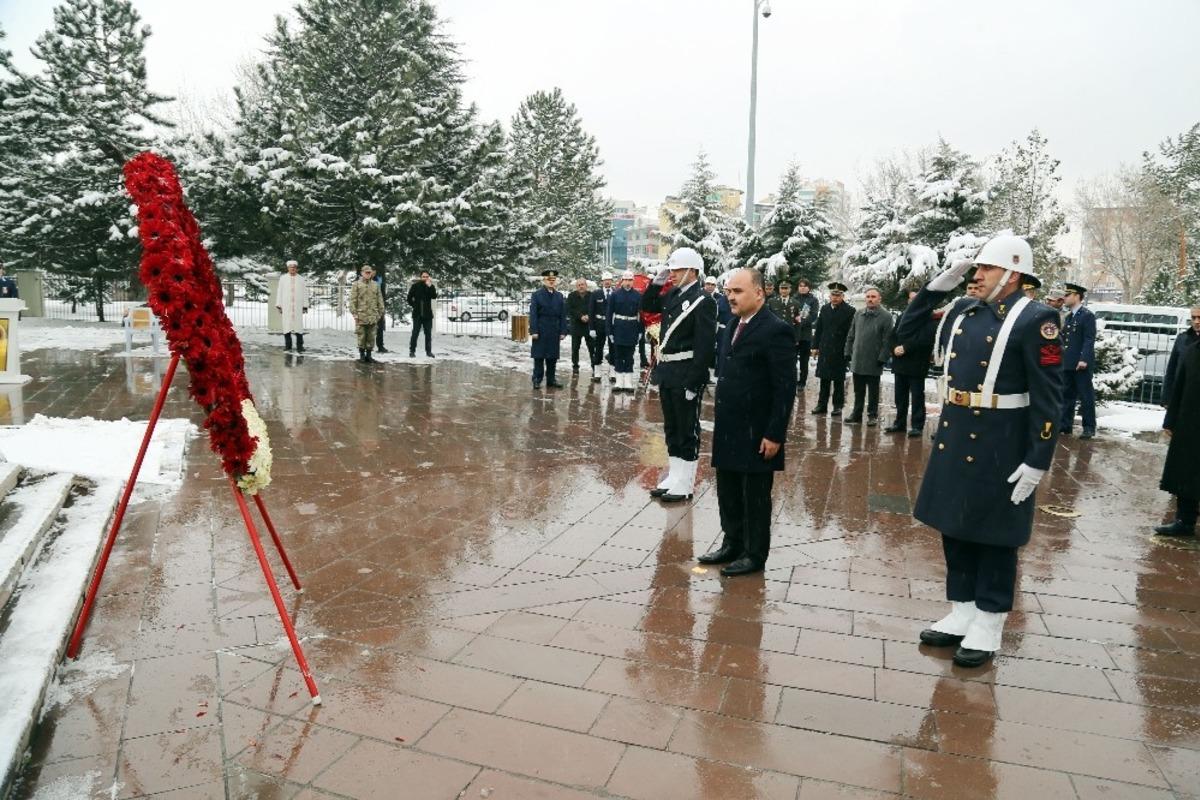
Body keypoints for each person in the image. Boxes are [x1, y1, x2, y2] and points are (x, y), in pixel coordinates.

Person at [897, 234, 1063, 668]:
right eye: (975, 269)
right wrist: (939, 284)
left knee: (995, 536)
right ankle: (962, 610)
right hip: (957, 432)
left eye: (985, 269)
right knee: (955, 525)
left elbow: (1049, 397)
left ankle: (989, 621)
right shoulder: (965, 311)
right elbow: (908, 331)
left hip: (1001, 442)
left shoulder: (1037, 320)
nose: (976, 275)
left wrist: (1037, 460)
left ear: (1012, 273)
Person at [698, 268, 797, 576]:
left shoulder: (775, 330)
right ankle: (732, 542)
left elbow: (785, 387)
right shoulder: (730, 326)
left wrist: (774, 433)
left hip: (758, 431)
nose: (730, 296)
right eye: (729, 291)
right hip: (729, 427)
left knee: (754, 496)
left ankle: (754, 554)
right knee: (727, 490)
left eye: (737, 291)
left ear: (759, 293)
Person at [641, 247, 717, 502]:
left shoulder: (703, 300)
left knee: (688, 429)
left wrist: (695, 381)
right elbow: (648, 305)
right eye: (671, 270)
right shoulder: (673, 293)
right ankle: (674, 475)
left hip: (686, 372)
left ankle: (686, 482)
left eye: (677, 270)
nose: (672, 274)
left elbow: (705, 346)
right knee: (672, 427)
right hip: (668, 371)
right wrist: (656, 283)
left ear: (692, 271)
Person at [1157, 335, 1200, 537]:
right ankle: (1184, 521)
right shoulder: (1193, 351)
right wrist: (1170, 419)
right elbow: (1179, 386)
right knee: (1186, 472)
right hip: (1189, 423)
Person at [885, 290, 936, 436]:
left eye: (917, 299)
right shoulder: (903, 316)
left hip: (916, 363)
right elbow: (892, 335)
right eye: (911, 299)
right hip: (900, 362)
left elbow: (926, 338)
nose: (913, 301)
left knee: (917, 396)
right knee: (900, 396)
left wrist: (905, 347)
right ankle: (899, 423)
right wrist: (894, 347)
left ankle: (917, 426)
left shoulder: (929, 317)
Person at [843, 286, 893, 425]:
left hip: (874, 359)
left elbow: (888, 340)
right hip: (858, 358)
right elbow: (851, 335)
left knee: (873, 391)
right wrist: (847, 352)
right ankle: (857, 414)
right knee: (858, 390)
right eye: (868, 297)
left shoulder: (886, 316)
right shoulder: (858, 314)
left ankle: (872, 415)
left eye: (873, 297)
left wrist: (883, 357)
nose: (870, 299)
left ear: (879, 299)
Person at [810, 282, 855, 416]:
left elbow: (851, 333)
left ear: (843, 296)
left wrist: (848, 351)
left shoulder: (850, 311)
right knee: (824, 378)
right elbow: (819, 329)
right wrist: (815, 346)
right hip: (825, 348)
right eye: (833, 295)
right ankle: (822, 404)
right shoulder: (824, 309)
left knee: (838, 380)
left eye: (838, 295)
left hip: (840, 349)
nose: (835, 298)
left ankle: (838, 406)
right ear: (829, 296)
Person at [1059, 282, 1097, 439]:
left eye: (1068, 295)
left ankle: (1089, 427)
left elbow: (1089, 339)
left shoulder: (1087, 316)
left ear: (1077, 296)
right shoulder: (1069, 317)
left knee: (1085, 395)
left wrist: (1084, 359)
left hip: (1081, 363)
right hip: (1068, 362)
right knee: (1067, 395)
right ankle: (1065, 426)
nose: (1065, 298)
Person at [530, 269, 567, 389]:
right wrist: (534, 330)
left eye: (553, 280)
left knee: (552, 356)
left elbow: (562, 315)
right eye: (549, 280)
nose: (551, 282)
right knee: (539, 356)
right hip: (541, 329)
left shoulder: (559, 296)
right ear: (544, 280)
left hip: (554, 330)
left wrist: (563, 331)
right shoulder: (537, 295)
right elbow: (533, 314)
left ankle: (551, 379)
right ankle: (537, 379)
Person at [606, 270, 642, 392]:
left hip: (632, 328)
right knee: (618, 355)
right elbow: (609, 314)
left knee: (629, 356)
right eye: (626, 280)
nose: (628, 283)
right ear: (622, 281)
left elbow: (641, 315)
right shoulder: (615, 295)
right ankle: (619, 381)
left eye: (630, 280)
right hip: (619, 328)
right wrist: (610, 332)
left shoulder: (638, 295)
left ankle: (628, 382)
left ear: (633, 281)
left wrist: (640, 331)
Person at [1161, 306, 1200, 405]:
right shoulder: (1182, 339)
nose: (1196, 321)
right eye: (1193, 317)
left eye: (1199, 318)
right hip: (1182, 397)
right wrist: (1167, 398)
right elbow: (1171, 369)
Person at [349, 265, 384, 363]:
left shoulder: (375, 285)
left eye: (370, 272)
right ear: (362, 273)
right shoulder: (356, 284)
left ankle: (369, 355)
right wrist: (354, 313)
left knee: (371, 336)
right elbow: (352, 300)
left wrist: (380, 313)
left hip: (372, 315)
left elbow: (379, 299)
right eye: (366, 272)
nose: (368, 274)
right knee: (361, 336)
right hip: (361, 315)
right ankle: (362, 355)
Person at [273, 260, 308, 352]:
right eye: (291, 267)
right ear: (288, 268)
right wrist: (279, 305)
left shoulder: (301, 279)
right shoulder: (283, 278)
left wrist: (305, 306)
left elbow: (305, 293)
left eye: (294, 267)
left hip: (297, 306)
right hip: (286, 305)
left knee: (298, 327)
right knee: (286, 326)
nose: (292, 269)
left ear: (296, 268)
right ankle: (288, 346)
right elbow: (279, 292)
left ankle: (300, 346)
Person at [793, 279, 820, 390]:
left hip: (805, 335)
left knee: (804, 361)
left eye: (805, 286)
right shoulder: (793, 298)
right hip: (794, 334)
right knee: (792, 359)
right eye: (800, 286)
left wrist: (801, 322)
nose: (802, 288)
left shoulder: (813, 300)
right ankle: (792, 379)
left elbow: (813, 315)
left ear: (809, 288)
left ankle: (802, 382)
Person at [588, 272, 614, 382]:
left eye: (609, 280)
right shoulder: (596, 294)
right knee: (598, 348)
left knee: (613, 349)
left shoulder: (616, 293)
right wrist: (591, 328)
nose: (607, 282)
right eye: (605, 280)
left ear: (612, 281)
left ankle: (613, 372)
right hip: (599, 324)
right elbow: (591, 311)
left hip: (612, 325)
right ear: (602, 282)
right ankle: (597, 373)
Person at [406, 270, 438, 358]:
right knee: (415, 333)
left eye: (427, 277)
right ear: (421, 277)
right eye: (424, 277)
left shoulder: (431, 286)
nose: (425, 278)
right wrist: (414, 306)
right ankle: (412, 351)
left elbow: (434, 296)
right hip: (417, 314)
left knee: (428, 334)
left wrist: (430, 286)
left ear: (429, 277)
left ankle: (428, 351)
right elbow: (409, 298)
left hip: (427, 315)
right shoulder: (415, 286)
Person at [566, 277, 594, 374]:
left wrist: (588, 316)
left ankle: (594, 366)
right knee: (575, 347)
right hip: (576, 325)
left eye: (582, 284)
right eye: (579, 285)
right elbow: (570, 309)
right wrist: (580, 316)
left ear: (586, 285)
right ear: (576, 286)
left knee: (592, 347)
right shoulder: (571, 296)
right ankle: (575, 366)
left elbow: (595, 308)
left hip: (589, 326)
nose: (581, 286)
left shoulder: (592, 296)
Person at [373, 271, 389, 352]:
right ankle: (366, 347)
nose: (372, 272)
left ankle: (380, 346)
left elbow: (383, 293)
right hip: (370, 307)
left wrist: (383, 305)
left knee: (380, 327)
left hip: (379, 306)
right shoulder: (366, 280)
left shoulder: (380, 279)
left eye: (374, 270)